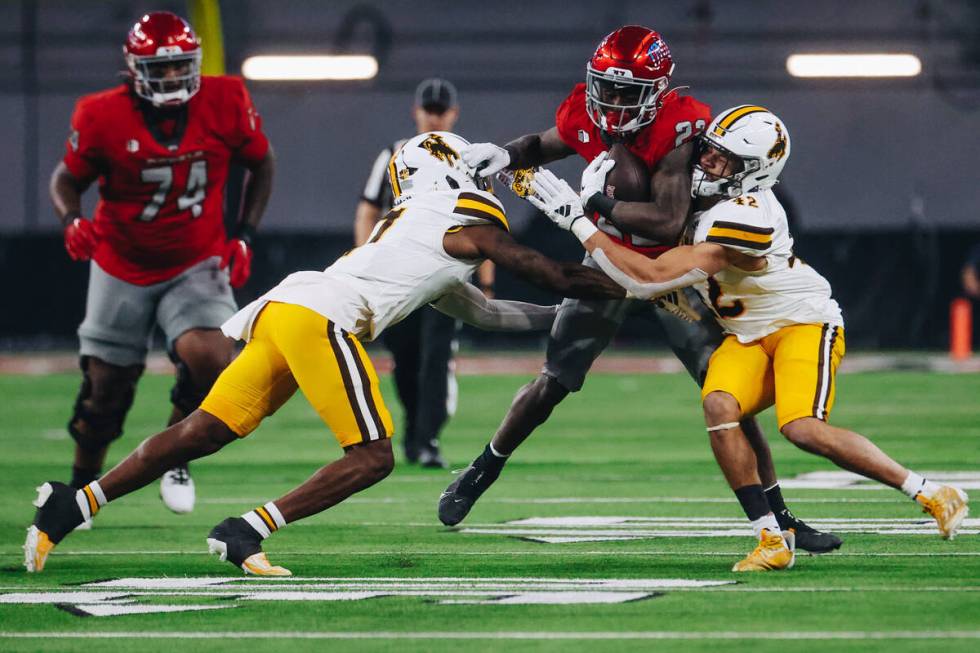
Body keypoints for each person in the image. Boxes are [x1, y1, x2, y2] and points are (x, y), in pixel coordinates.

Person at [25, 131, 625, 576]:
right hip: (323, 317)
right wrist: (628, 286)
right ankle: (244, 531)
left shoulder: (416, 227)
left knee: (203, 430)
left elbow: (490, 312)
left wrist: (567, 316)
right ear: (448, 169)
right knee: (372, 457)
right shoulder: (460, 216)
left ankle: (69, 508)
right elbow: (543, 270)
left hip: (289, 308)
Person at [440, 25, 839, 553]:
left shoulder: (680, 127)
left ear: (658, 91)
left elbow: (668, 220)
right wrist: (508, 155)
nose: (611, 103)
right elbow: (547, 143)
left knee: (726, 401)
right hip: (606, 261)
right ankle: (482, 468)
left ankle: (779, 516)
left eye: (627, 93)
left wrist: (593, 206)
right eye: (606, 87)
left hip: (674, 272)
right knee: (552, 380)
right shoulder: (588, 108)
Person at [525, 105, 970, 571]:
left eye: (726, 159)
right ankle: (771, 539)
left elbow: (650, 278)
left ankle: (932, 492)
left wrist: (581, 218)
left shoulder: (750, 214)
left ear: (755, 171)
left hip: (801, 324)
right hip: (746, 335)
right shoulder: (696, 198)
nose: (710, 163)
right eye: (710, 151)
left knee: (801, 428)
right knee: (718, 406)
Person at [49, 12, 274, 516]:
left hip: (196, 258)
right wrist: (70, 219)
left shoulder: (226, 99)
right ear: (134, 69)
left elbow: (262, 161)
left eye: (180, 66)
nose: (172, 77)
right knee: (105, 391)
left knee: (215, 359)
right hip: (120, 261)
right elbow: (66, 178)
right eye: (161, 67)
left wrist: (244, 235)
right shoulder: (99, 114)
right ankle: (81, 488)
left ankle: (176, 456)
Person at [355, 78, 492, 468]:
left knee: (436, 357)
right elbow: (368, 208)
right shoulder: (394, 154)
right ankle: (415, 428)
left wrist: (485, 279)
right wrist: (368, 259)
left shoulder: (466, 156)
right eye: (429, 110)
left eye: (440, 110)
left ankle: (427, 438)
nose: (434, 116)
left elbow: (485, 221)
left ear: (453, 114)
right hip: (397, 272)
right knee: (405, 356)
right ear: (417, 112)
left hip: (447, 272)